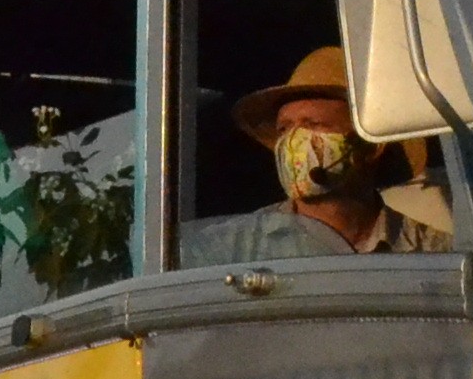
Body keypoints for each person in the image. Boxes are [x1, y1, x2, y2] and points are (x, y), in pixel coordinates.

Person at [183, 45, 454, 263]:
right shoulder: (226, 252)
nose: (293, 141)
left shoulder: (433, 253)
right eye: (285, 128)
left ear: (372, 147)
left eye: (314, 125)